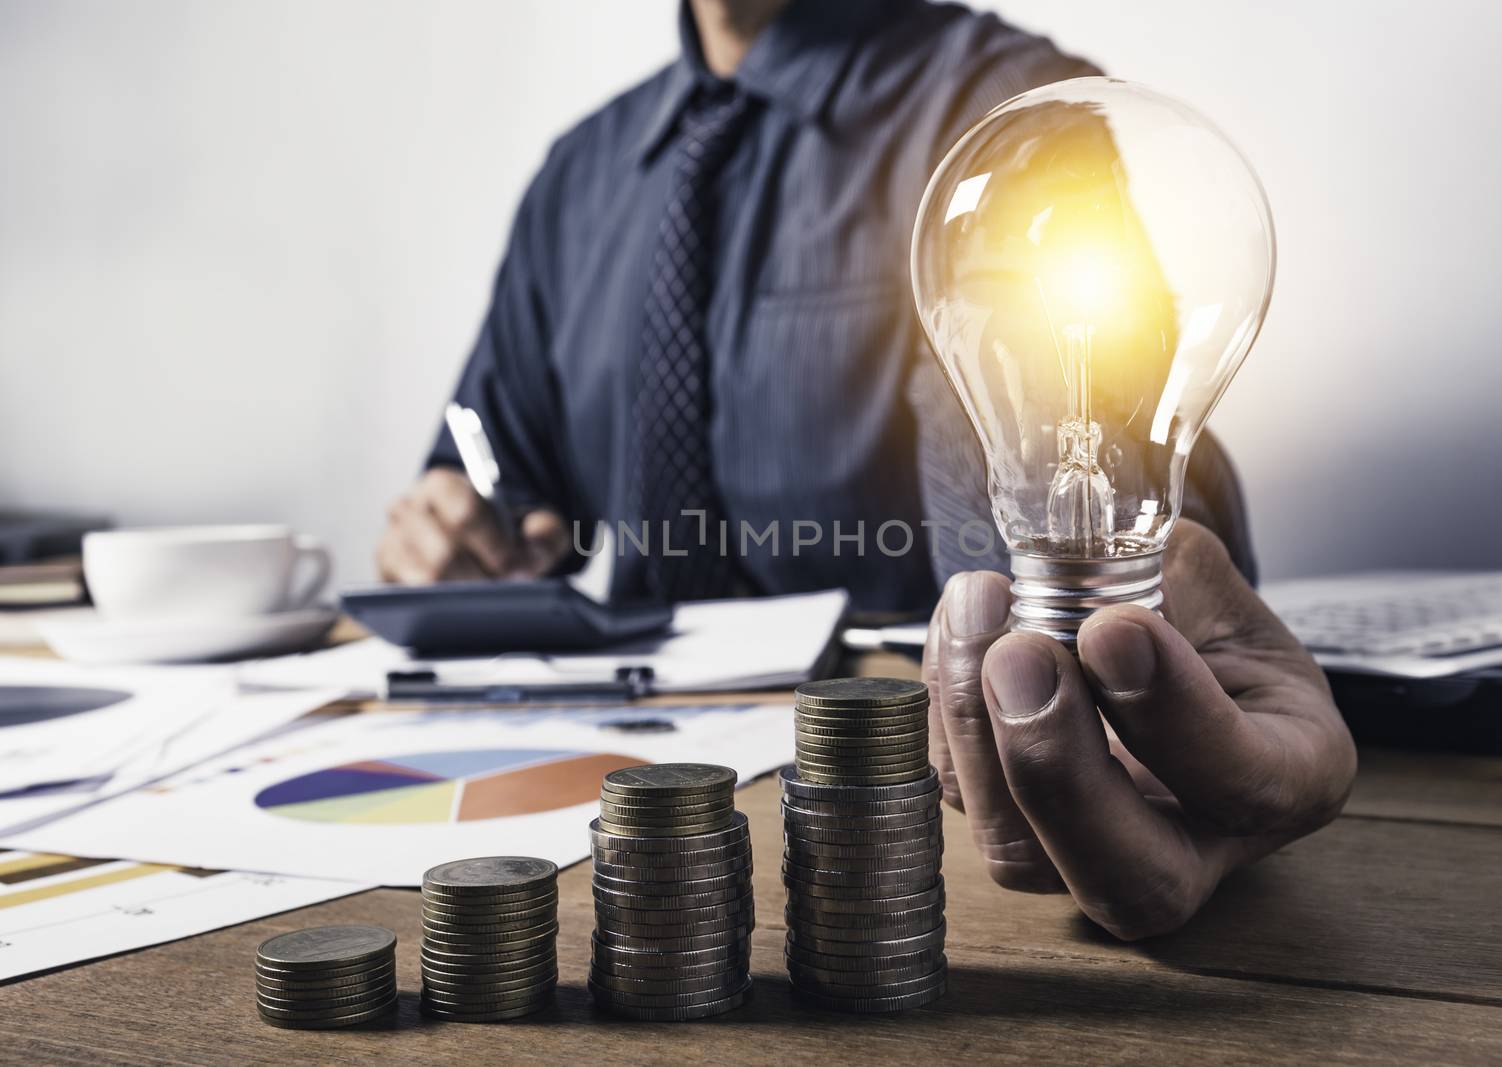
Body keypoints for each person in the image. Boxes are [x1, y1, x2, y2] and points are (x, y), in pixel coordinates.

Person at [377, 0, 1357, 939]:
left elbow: (1074, 446)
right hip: (628, 801)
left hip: (896, 796)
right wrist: (455, 521)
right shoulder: (579, 177)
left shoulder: (1006, 112)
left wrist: (1062, 573)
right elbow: (488, 459)